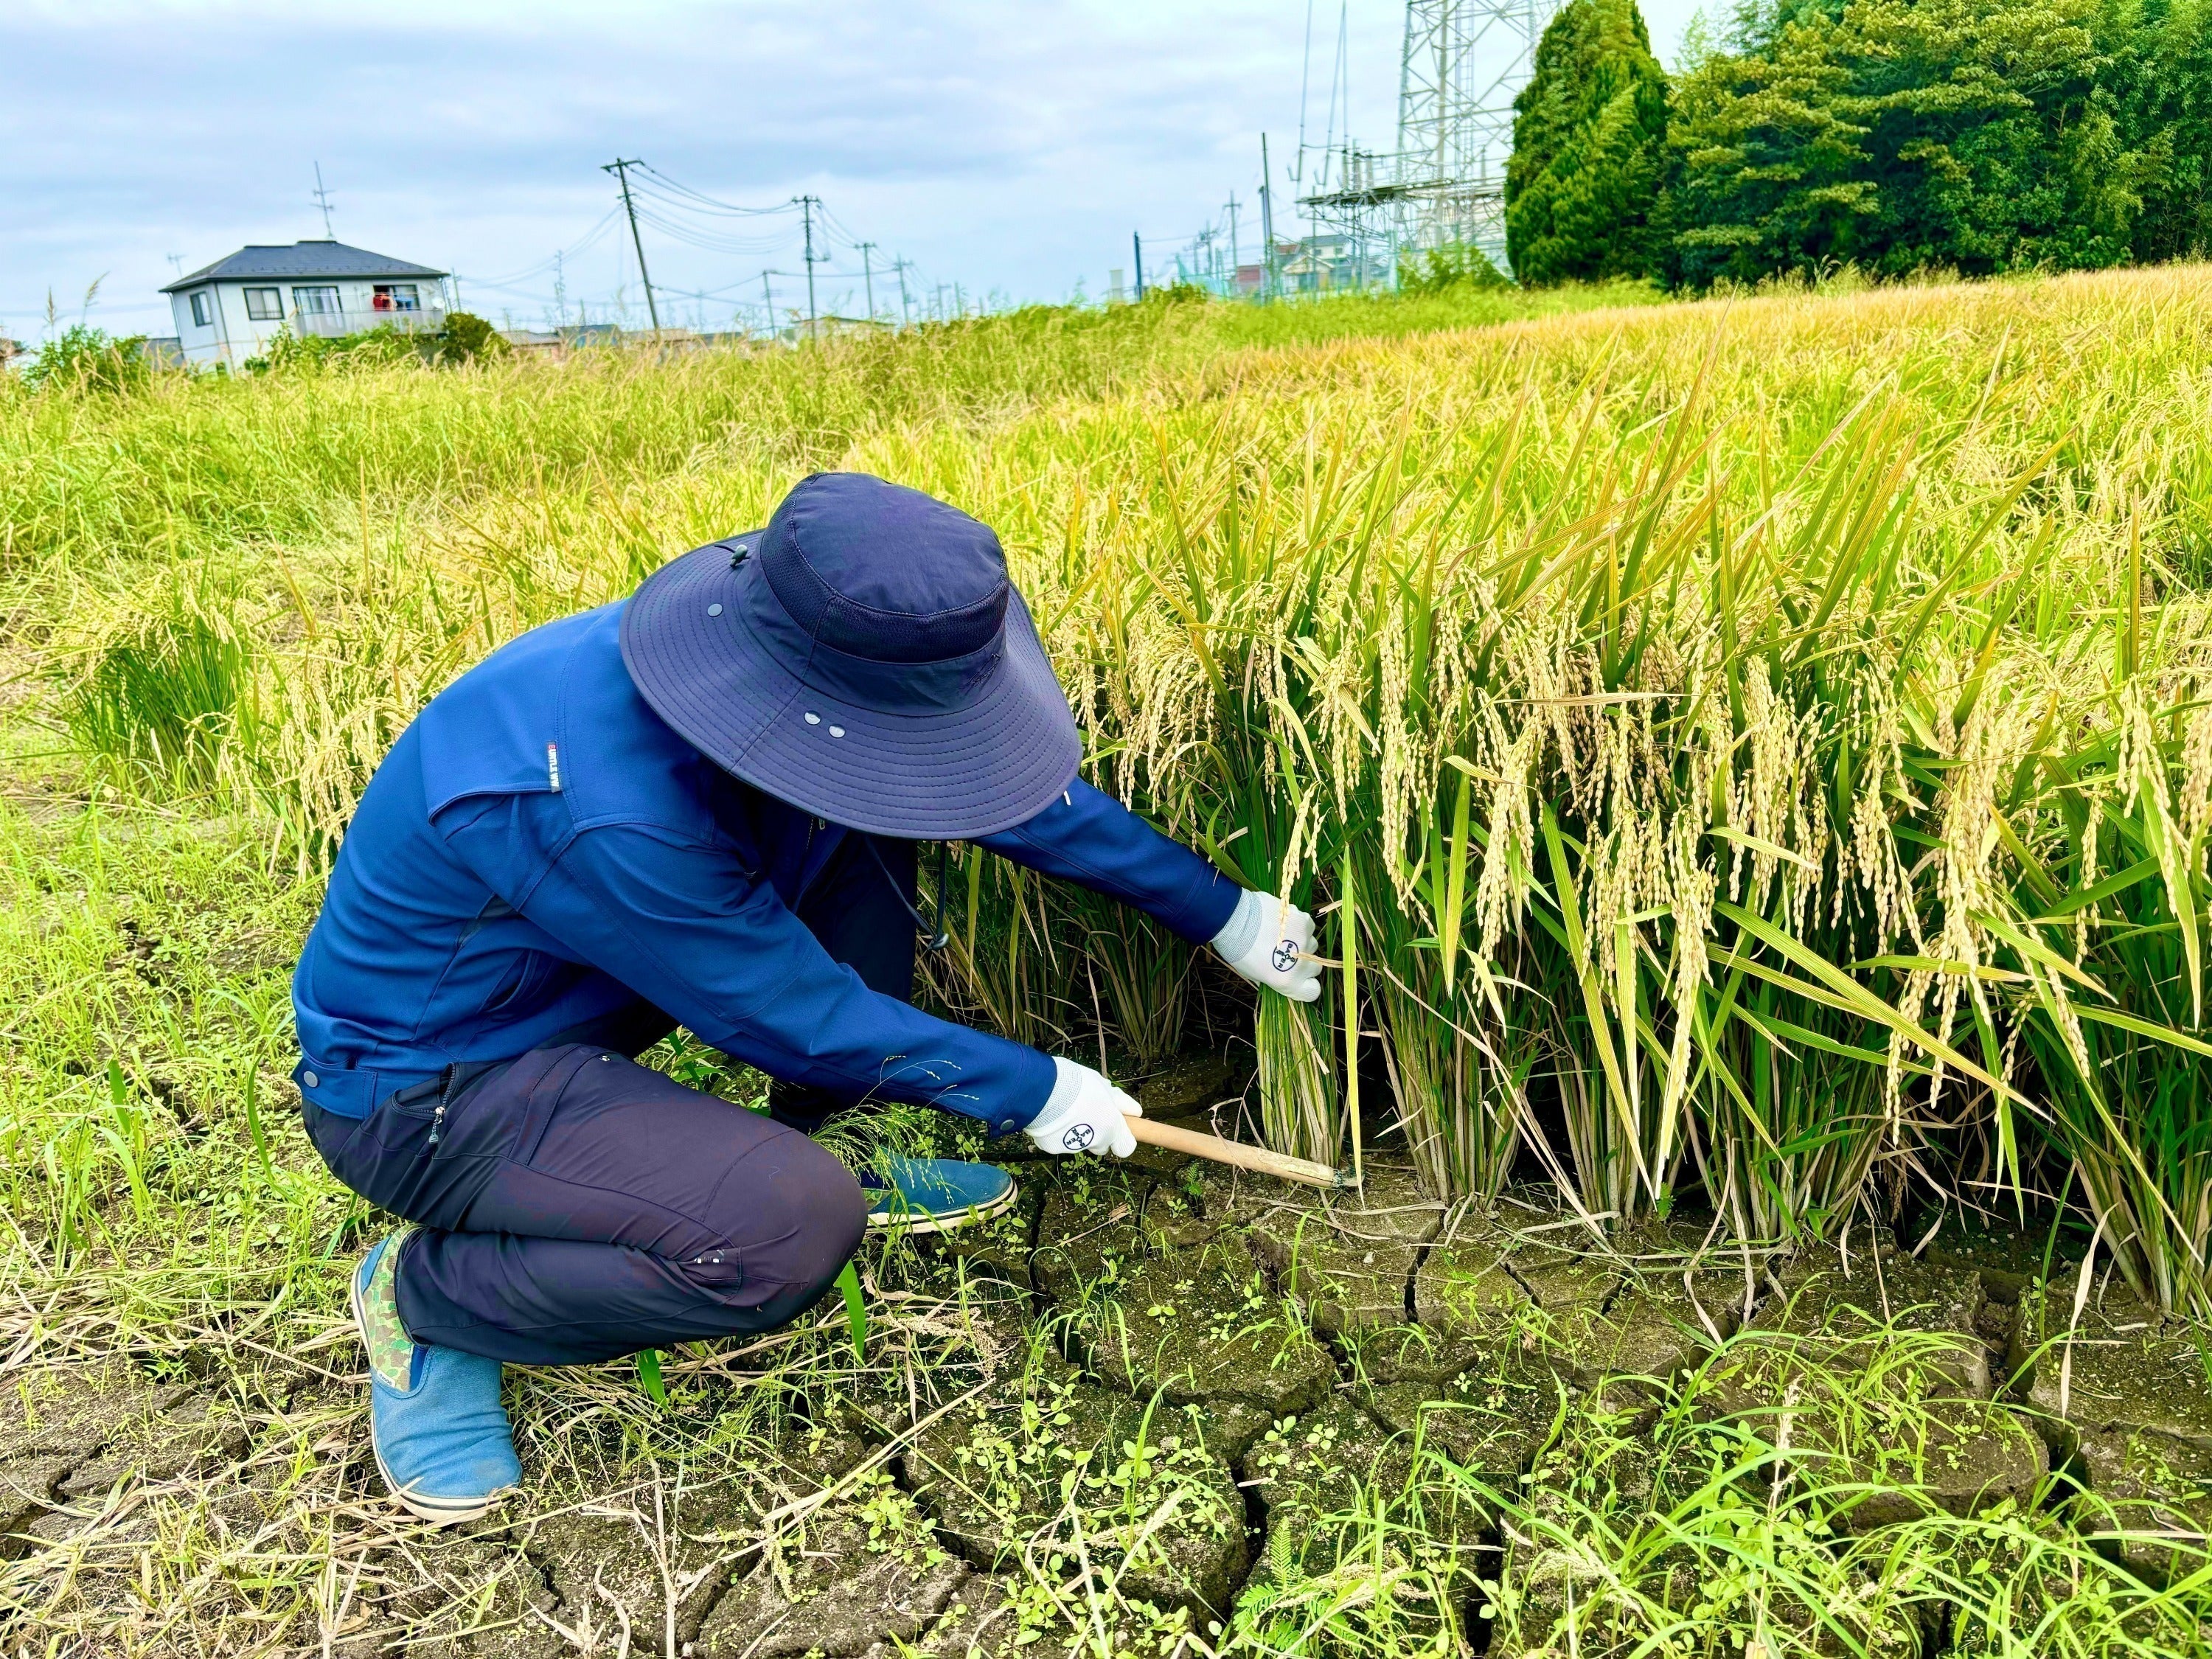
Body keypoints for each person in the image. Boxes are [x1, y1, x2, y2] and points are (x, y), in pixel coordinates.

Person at [291, 472, 1323, 1525]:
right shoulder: (610, 806)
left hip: (580, 995)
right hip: (436, 1088)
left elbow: (999, 788)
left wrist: (1226, 912)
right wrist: (1035, 1088)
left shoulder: (791, 631)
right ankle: (429, 1299)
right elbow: (785, 1009)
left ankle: (849, 1137)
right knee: (786, 1227)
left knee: (872, 817)